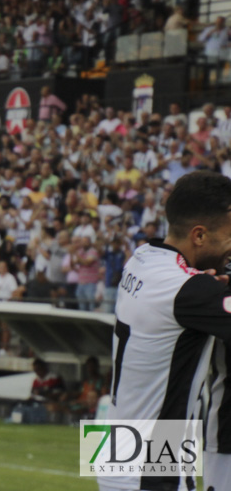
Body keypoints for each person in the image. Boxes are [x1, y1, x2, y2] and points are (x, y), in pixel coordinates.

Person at [103, 170, 231, 491]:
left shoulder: (141, 258)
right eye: (229, 238)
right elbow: (191, 294)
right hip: (154, 466)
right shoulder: (187, 291)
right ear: (198, 235)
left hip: (116, 453)